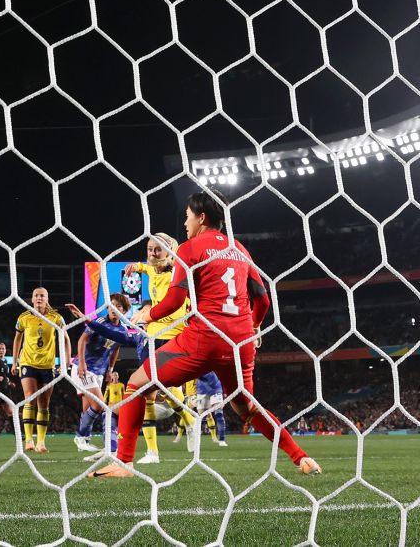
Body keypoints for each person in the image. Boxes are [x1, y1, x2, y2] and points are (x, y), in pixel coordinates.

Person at [90, 190, 321, 478]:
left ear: (201, 217)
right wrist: (255, 326)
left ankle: (124, 463)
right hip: (239, 343)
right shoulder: (239, 249)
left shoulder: (189, 248)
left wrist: (144, 315)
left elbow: (174, 302)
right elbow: (262, 299)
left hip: (204, 338)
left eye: (187, 217)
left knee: (136, 384)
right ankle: (301, 458)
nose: (185, 223)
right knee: (247, 408)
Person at [124, 236, 198, 463]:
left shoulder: (179, 272)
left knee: (162, 386)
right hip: (153, 335)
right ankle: (152, 452)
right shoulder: (152, 268)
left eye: (158, 250)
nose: (153, 253)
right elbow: (144, 266)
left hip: (175, 334)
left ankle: (189, 418)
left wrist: (145, 316)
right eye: (150, 249)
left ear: (170, 253)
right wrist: (135, 266)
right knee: (147, 390)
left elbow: (178, 307)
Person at [67, 294, 134, 454]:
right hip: (83, 368)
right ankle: (81, 437)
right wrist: (81, 363)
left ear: (124, 311)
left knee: (88, 408)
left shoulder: (122, 330)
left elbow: (115, 349)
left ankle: (84, 440)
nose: (114, 309)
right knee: (99, 405)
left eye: (118, 306)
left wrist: (110, 369)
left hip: (99, 372)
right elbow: (82, 340)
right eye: (112, 305)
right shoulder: (100, 322)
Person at [11, 288, 72, 453]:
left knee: (44, 404)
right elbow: (17, 339)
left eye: (42, 295)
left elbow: (66, 340)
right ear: (32, 299)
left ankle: (41, 442)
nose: (39, 298)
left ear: (47, 298)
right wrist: (15, 361)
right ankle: (29, 439)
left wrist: (65, 362)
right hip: (28, 362)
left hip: (47, 365)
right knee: (29, 397)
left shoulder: (56, 318)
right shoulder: (24, 318)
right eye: (36, 295)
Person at [196, 371, 228, 446]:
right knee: (200, 417)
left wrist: (225, 392)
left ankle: (222, 440)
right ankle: (196, 441)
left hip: (216, 389)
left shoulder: (215, 361)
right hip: (202, 390)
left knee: (219, 414)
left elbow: (223, 375)